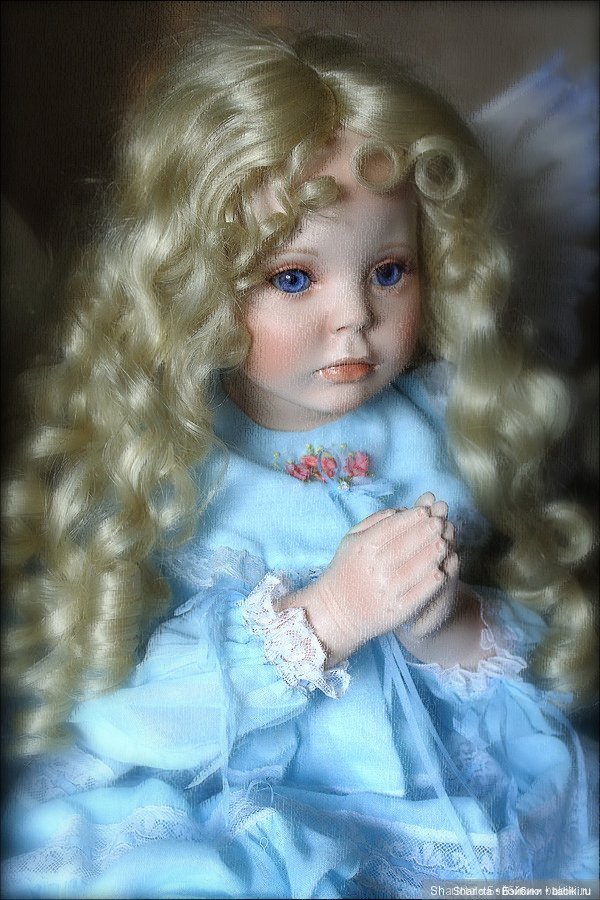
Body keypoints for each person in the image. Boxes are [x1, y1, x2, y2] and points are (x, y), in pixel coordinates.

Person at [1, 23, 597, 900]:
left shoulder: (433, 430)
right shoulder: (184, 456)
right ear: (201, 284)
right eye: (293, 279)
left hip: (431, 785)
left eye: (388, 270)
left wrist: (438, 625)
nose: (354, 317)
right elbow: (148, 714)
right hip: (250, 784)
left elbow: (504, 677)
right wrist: (325, 616)